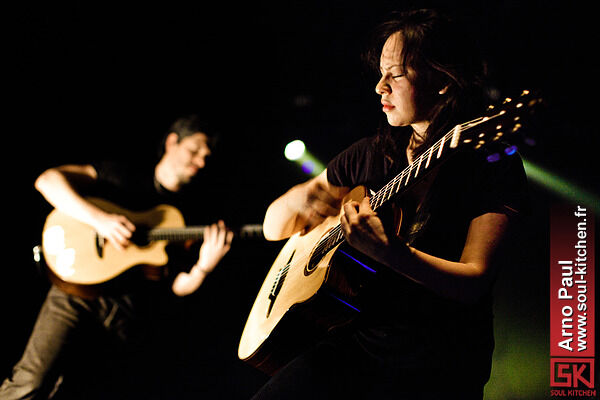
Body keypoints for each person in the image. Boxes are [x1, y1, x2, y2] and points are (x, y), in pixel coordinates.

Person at [253, 9, 529, 400]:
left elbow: (474, 280)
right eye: (380, 73)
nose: (379, 87)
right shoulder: (370, 153)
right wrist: (307, 213)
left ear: (443, 82)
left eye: (395, 74)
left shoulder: (491, 163)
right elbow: (273, 227)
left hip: (439, 365)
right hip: (357, 343)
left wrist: (390, 252)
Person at [1, 115, 234, 399]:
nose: (201, 161)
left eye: (206, 157)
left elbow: (176, 285)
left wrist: (203, 268)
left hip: (126, 319)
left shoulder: (191, 213)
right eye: (195, 150)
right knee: (31, 384)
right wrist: (100, 220)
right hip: (76, 294)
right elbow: (48, 181)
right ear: (172, 142)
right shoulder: (122, 175)